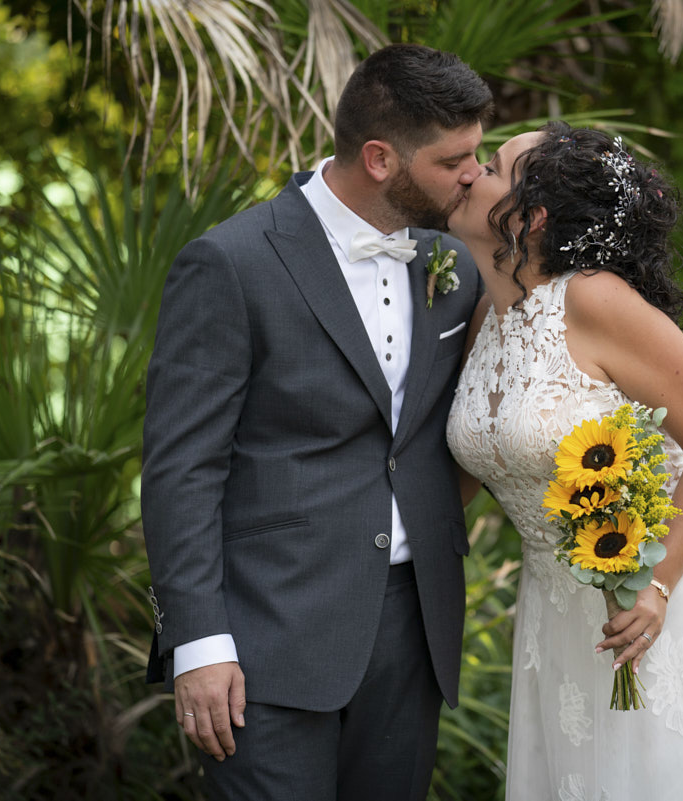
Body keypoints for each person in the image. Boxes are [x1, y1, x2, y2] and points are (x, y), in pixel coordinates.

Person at [446, 122, 683, 800]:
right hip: (559, 614)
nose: (470, 170)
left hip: (669, 587)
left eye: (493, 165)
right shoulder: (488, 318)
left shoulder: (595, 300)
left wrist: (657, 584)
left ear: (530, 216)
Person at [140, 44, 492, 801]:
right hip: (267, 639)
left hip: (413, 633)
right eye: (453, 159)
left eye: (479, 153)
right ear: (379, 159)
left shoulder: (454, 269)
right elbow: (181, 469)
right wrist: (197, 643)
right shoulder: (231, 263)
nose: (474, 173)